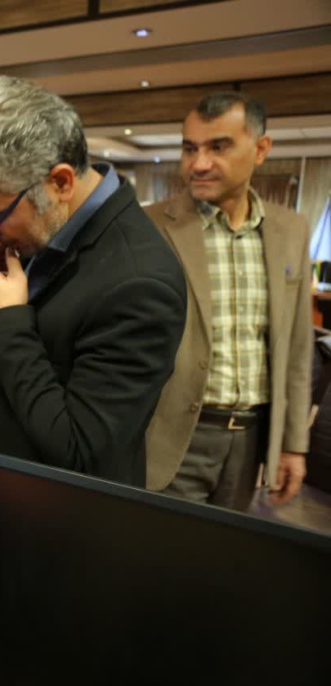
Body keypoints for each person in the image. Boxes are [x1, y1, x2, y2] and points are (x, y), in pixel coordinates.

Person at [0, 76, 187, 486]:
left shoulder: (140, 282)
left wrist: (6, 320)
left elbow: (79, 451)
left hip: (61, 509)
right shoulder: (44, 227)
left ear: (60, 183)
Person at [145, 92, 311, 510]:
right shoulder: (149, 226)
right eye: (190, 149)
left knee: (228, 546)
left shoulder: (291, 230)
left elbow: (296, 348)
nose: (199, 164)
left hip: (251, 438)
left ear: (260, 149)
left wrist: (293, 444)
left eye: (218, 147)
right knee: (164, 544)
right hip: (170, 435)